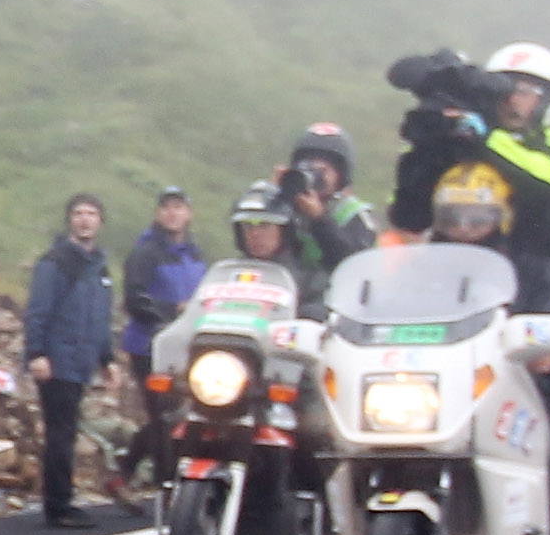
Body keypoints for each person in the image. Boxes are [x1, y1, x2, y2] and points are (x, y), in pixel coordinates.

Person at [388, 41, 550, 535]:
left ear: (548, 100)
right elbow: (408, 210)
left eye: (527, 91)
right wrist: (430, 142)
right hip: (448, 289)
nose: (515, 98)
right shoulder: (461, 144)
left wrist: (486, 138)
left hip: (536, 293)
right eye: (506, 86)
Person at [23, 193, 119, 528]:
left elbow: (100, 317)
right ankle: (58, 504)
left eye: (91, 213)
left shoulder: (100, 267)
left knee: (66, 430)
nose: (84, 219)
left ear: (100, 221)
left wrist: (107, 359)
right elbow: (38, 310)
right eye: (78, 213)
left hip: (82, 361)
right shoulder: (56, 262)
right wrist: (36, 353)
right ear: (69, 221)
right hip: (58, 359)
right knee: (60, 433)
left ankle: (63, 498)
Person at [109, 187, 204, 508]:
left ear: (188, 214)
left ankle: (123, 473)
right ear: (158, 214)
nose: (173, 214)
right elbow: (134, 299)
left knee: (172, 416)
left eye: (179, 207)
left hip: (186, 347)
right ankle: (168, 489)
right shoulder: (145, 252)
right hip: (148, 345)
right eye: (167, 208)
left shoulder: (195, 254)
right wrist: (170, 310)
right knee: (165, 417)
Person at [280, 123, 378, 273]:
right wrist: (274, 198)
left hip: (336, 292)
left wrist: (319, 219)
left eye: (324, 170)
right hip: (287, 289)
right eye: (308, 165)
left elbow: (352, 264)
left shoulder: (356, 213)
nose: (316, 175)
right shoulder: (286, 205)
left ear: (342, 175)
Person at [228, 181, 329, 317]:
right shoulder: (228, 275)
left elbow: (315, 319)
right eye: (248, 225)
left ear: (285, 230)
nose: (255, 233)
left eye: (264, 225)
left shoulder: (310, 281)